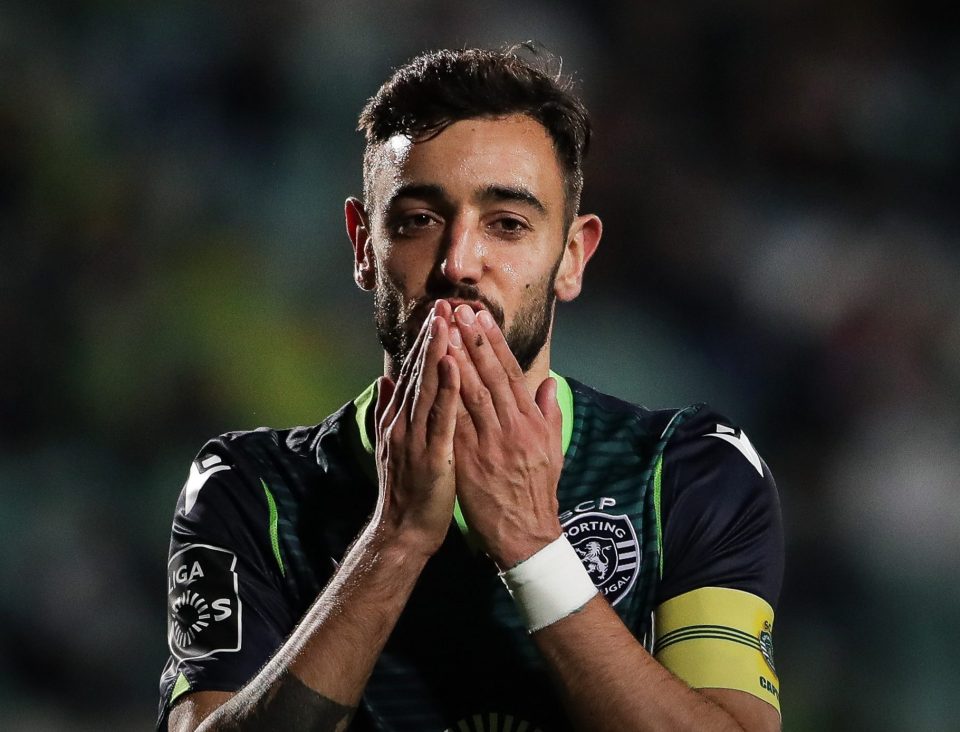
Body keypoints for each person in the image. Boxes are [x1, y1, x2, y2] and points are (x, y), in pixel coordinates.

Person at [158, 47, 784, 732]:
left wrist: (532, 544)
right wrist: (392, 540)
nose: (458, 263)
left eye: (507, 225)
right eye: (418, 220)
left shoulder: (685, 470)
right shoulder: (249, 489)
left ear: (571, 256)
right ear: (363, 247)